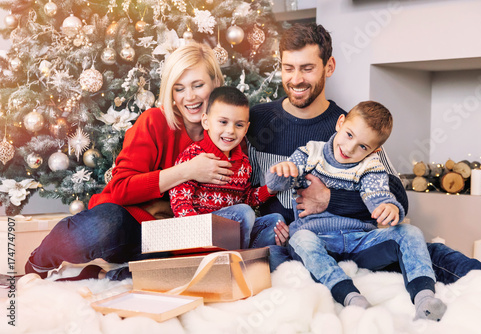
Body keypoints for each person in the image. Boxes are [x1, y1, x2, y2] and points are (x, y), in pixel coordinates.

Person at [246, 23, 481, 284]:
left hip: (353, 242)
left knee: (431, 252)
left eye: (307, 69)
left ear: (329, 67)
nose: (296, 79)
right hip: (293, 246)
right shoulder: (256, 122)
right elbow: (238, 191)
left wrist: (331, 199)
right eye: (289, 68)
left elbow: (396, 197)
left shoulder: (352, 130)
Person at [25, 42, 287, 281]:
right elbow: (121, 189)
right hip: (127, 220)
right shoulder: (154, 121)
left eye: (198, 85)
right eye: (179, 88)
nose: (190, 97)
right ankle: (39, 263)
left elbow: (234, 199)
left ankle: (107, 274)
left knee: (164, 272)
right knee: (103, 226)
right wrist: (187, 171)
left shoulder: (228, 134)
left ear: (215, 83)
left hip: (177, 238)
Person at [265, 101, 447, 321]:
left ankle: (424, 299)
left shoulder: (370, 166)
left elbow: (377, 196)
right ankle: (350, 296)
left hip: (359, 241)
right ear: (340, 123)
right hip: (316, 237)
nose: (350, 148)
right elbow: (277, 183)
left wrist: (387, 208)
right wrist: (282, 172)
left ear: (375, 150)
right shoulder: (311, 152)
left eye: (363, 146)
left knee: (410, 232)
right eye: (349, 135)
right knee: (301, 239)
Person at [169, 86, 284, 248]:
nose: (230, 131)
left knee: (275, 221)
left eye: (238, 125)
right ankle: (237, 260)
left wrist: (269, 190)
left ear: (246, 129)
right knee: (243, 213)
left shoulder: (243, 163)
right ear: (206, 122)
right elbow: (179, 202)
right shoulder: (194, 156)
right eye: (223, 122)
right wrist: (197, 233)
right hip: (196, 232)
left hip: (231, 230)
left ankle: (249, 258)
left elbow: (245, 199)